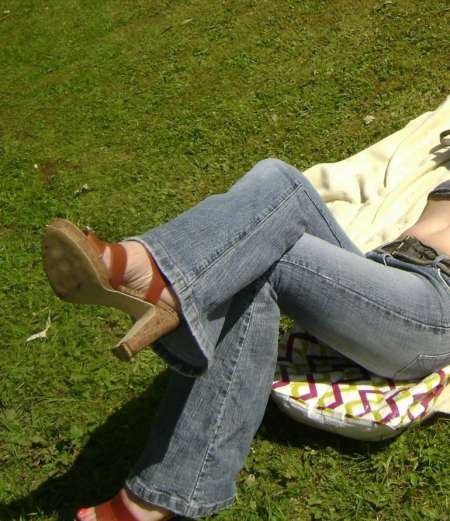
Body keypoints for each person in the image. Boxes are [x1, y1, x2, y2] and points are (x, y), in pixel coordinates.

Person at [42, 159, 450, 521]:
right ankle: (153, 274)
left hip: (432, 309)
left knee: (263, 257)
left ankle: (145, 274)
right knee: (279, 179)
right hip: (387, 272)